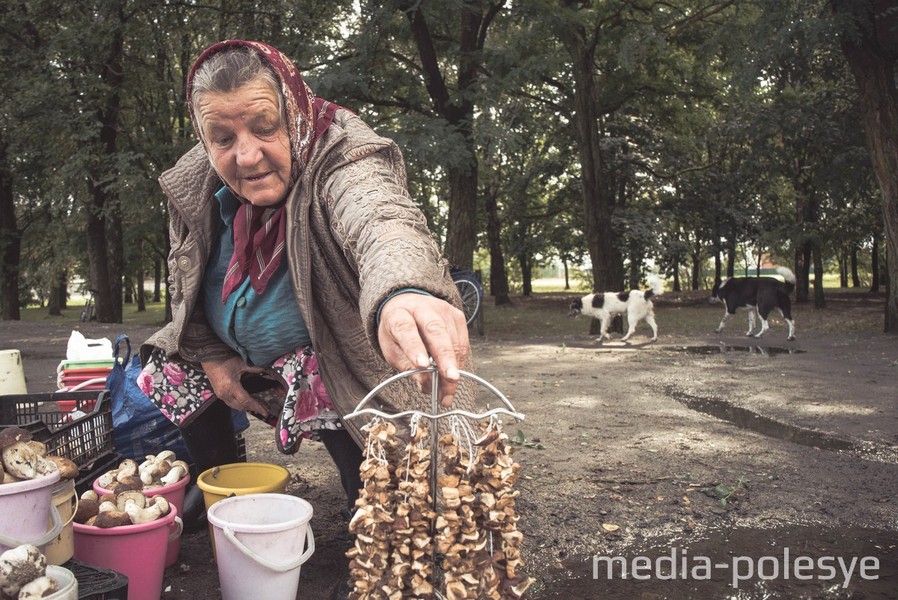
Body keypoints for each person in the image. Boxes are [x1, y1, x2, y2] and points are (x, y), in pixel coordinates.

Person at [137, 39, 475, 522]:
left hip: (323, 355)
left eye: (265, 127)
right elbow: (183, 279)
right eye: (223, 138)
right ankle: (221, 479)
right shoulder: (194, 182)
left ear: (291, 109)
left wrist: (405, 290)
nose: (248, 156)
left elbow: (380, 218)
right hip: (242, 360)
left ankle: (372, 520)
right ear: (203, 136)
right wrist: (213, 357)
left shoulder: (341, 155)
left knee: (339, 386)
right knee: (168, 365)